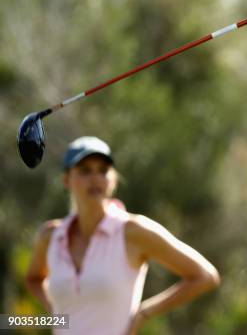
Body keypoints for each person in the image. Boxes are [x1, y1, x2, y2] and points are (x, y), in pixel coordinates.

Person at [25, 136, 220, 335]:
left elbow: (204, 276)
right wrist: (57, 315)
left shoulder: (133, 231)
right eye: (85, 170)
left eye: (103, 170)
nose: (95, 178)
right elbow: (33, 279)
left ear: (113, 179)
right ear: (66, 179)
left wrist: (144, 313)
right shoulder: (50, 236)